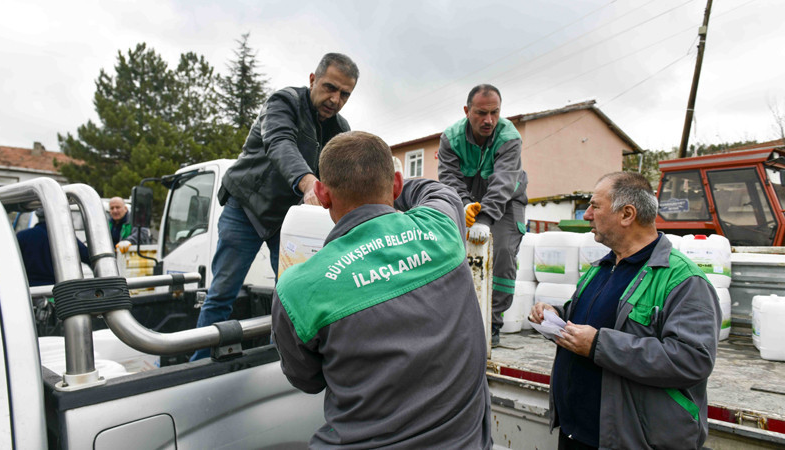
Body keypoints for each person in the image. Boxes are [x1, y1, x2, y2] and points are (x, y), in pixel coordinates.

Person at [272, 131, 492, 449]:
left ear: (322, 195)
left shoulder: (297, 288)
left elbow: (307, 379)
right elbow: (439, 190)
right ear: (397, 186)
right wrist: (389, 184)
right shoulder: (441, 230)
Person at [529, 172, 720, 449]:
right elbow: (589, 320)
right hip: (575, 434)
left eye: (595, 206)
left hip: (631, 441)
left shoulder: (684, 280)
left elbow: (692, 359)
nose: (587, 215)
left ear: (627, 214)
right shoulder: (602, 267)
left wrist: (599, 345)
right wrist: (554, 315)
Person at [191, 53, 359, 361]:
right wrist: (308, 183)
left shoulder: (341, 129)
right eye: (330, 88)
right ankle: (197, 365)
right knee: (222, 292)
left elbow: (344, 172)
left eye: (345, 94)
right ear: (313, 80)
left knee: (291, 294)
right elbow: (280, 143)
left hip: (286, 221)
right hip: (245, 208)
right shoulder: (284, 102)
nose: (335, 100)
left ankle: (282, 362)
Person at [438, 84, 528, 347]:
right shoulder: (451, 139)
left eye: (494, 112)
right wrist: (465, 206)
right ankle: (458, 318)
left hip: (507, 200)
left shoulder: (509, 137)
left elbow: (503, 182)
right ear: (467, 111)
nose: (489, 120)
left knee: (502, 250)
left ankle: (493, 322)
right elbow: (449, 178)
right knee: (454, 249)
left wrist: (485, 219)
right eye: (481, 113)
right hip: (467, 198)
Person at [17, 208, 90, 287]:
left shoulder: (23, 236)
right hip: (59, 289)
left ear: (38, 216)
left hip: (30, 289)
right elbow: (88, 257)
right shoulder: (66, 237)